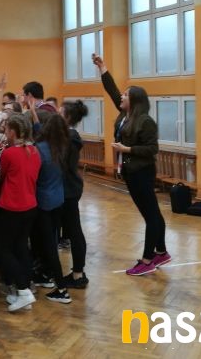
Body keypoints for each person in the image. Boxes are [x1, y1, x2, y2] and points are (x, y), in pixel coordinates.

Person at [94, 54, 169, 276]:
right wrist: (103, 68)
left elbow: (152, 148)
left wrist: (127, 150)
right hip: (130, 171)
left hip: (142, 172)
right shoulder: (124, 115)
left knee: (150, 216)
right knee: (152, 213)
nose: (122, 96)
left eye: (126, 95)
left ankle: (147, 260)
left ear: (134, 101)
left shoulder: (145, 121)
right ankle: (161, 252)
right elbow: (112, 91)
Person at [0, 114, 41, 312]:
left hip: (12, 206)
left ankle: (23, 290)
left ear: (13, 132)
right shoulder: (35, 151)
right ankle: (25, 289)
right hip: (30, 205)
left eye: (7, 129)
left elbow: (1, 175)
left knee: (4, 249)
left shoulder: (9, 153)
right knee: (22, 247)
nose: (5, 132)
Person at [29, 105, 72, 304]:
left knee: (49, 247)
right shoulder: (62, 147)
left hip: (44, 203)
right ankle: (47, 275)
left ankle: (61, 289)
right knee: (51, 241)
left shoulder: (39, 149)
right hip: (58, 201)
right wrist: (33, 113)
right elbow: (40, 129)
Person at [60, 100, 90, 288]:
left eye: (60, 113)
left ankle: (78, 274)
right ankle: (77, 272)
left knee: (74, 231)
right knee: (72, 230)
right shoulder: (68, 135)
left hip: (69, 189)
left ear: (67, 117)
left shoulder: (70, 138)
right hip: (69, 187)